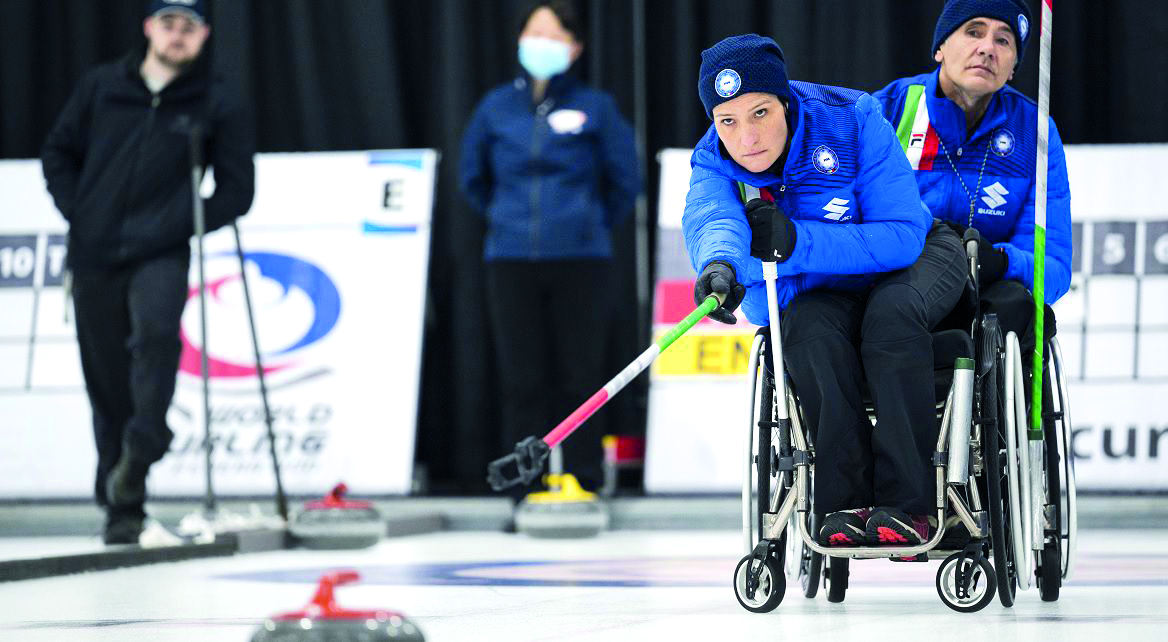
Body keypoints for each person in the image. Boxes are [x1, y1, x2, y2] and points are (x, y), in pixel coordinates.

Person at [684, 34, 968, 546]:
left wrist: (796, 243)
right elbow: (713, 220)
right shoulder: (711, 159)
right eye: (728, 121)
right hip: (829, 287)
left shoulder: (851, 117)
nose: (746, 136)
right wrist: (721, 266)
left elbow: (902, 235)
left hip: (916, 255)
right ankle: (843, 505)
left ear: (785, 103)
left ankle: (911, 507)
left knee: (892, 316)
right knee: (805, 330)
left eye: (760, 113)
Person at [41, 0, 255, 544]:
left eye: (188, 27)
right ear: (148, 28)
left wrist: (184, 222)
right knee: (106, 377)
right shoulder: (103, 85)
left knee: (158, 339)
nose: (177, 35)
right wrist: (80, 212)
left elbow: (236, 188)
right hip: (93, 252)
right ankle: (122, 506)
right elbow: (57, 153)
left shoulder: (215, 98)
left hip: (160, 250)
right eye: (168, 24)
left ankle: (144, 444)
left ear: (204, 35)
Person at [458, 1, 640, 496]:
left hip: (582, 261)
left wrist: (588, 223)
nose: (542, 43)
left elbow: (625, 179)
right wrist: (506, 220)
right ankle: (523, 484)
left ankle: (582, 478)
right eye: (534, 33)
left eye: (554, 34)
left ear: (575, 47)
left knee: (580, 375)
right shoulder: (495, 107)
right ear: (519, 42)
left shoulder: (596, 106)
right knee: (522, 379)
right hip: (510, 260)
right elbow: (472, 178)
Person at [872, 0, 1072, 344]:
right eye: (974, 32)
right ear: (940, 48)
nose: (987, 49)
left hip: (983, 301)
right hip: (896, 289)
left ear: (1012, 68)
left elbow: (1053, 268)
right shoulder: (884, 112)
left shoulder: (1034, 130)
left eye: (1003, 40)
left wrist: (1002, 260)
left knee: (1020, 306)